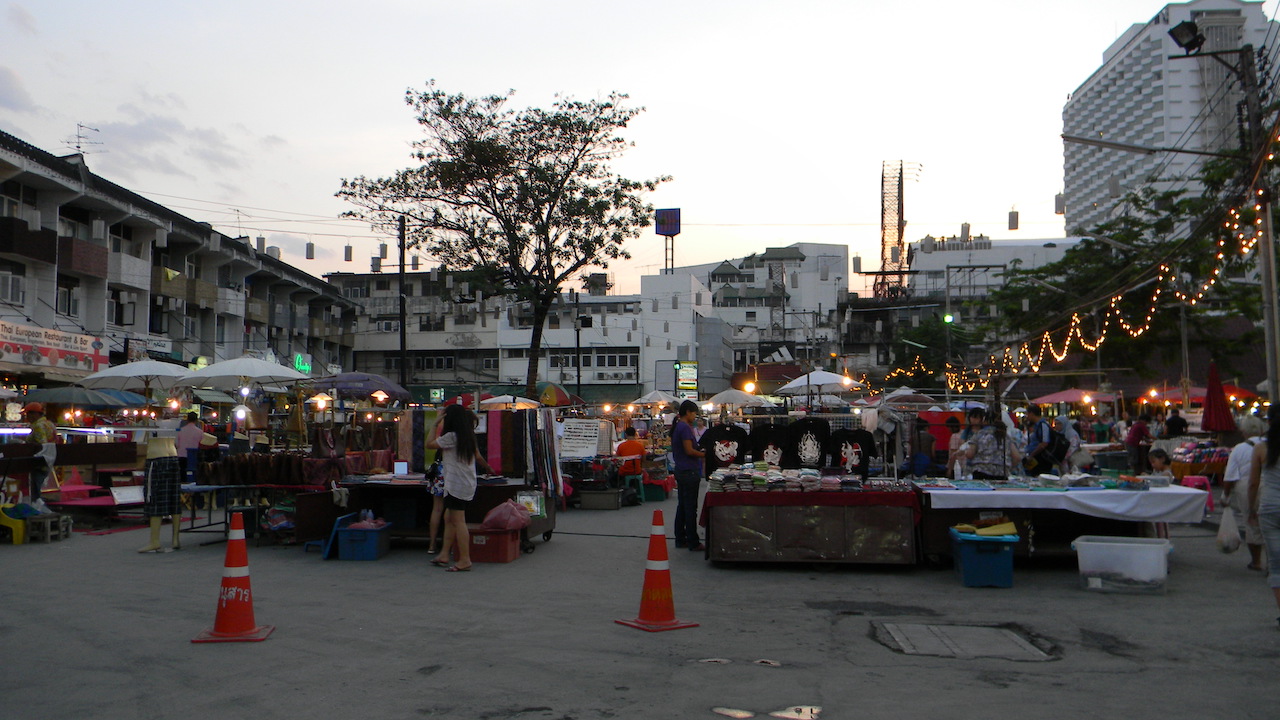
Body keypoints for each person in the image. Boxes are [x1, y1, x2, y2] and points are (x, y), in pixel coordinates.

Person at [426, 404, 493, 572]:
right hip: (464, 483)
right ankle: (443, 554)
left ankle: (465, 559)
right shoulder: (467, 436)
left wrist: (435, 423)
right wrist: (488, 467)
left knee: (458, 521)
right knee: (449, 518)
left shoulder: (451, 437)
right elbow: (477, 456)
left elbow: (429, 444)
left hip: (456, 484)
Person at [1245, 405, 1280, 627]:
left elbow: (1253, 483)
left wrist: (1250, 509)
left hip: (1270, 508)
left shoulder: (1260, 448)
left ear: (1268, 423)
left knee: (1276, 564)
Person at [1224, 414, 1267, 572]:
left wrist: (1225, 495)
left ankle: (1256, 561)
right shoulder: (1269, 445)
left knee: (1251, 521)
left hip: (1246, 486)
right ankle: (1272, 561)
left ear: (1243, 431)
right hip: (1270, 485)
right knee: (1270, 523)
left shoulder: (1239, 449)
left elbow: (1230, 476)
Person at [671, 399, 706, 551]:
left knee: (683, 506)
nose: (695, 417)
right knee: (691, 508)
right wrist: (703, 455)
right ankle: (693, 541)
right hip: (689, 471)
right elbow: (689, 450)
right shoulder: (685, 428)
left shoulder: (679, 426)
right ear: (687, 413)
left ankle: (680, 538)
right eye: (694, 413)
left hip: (680, 470)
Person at [138, 436, 182, 553]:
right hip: (173, 455)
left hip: (156, 457)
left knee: (154, 497)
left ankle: (154, 541)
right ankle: (175, 539)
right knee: (174, 496)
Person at [966, 410, 1024, 480]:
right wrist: (1008, 467)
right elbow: (1017, 457)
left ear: (985, 421)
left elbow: (969, 454)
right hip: (1001, 473)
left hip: (981, 471)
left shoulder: (979, 434)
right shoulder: (1005, 436)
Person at [1023, 405, 1054, 476]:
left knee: (1039, 475)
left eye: (1027, 414)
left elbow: (1045, 443)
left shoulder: (1043, 425)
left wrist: (1032, 454)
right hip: (1034, 458)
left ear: (1031, 414)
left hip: (1041, 459)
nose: (1027, 416)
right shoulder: (1036, 426)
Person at [175, 411, 204, 477]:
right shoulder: (200, 432)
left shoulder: (180, 430)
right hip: (194, 457)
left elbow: (176, 444)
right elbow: (202, 444)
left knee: (182, 476)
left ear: (187, 420)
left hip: (181, 457)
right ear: (196, 420)